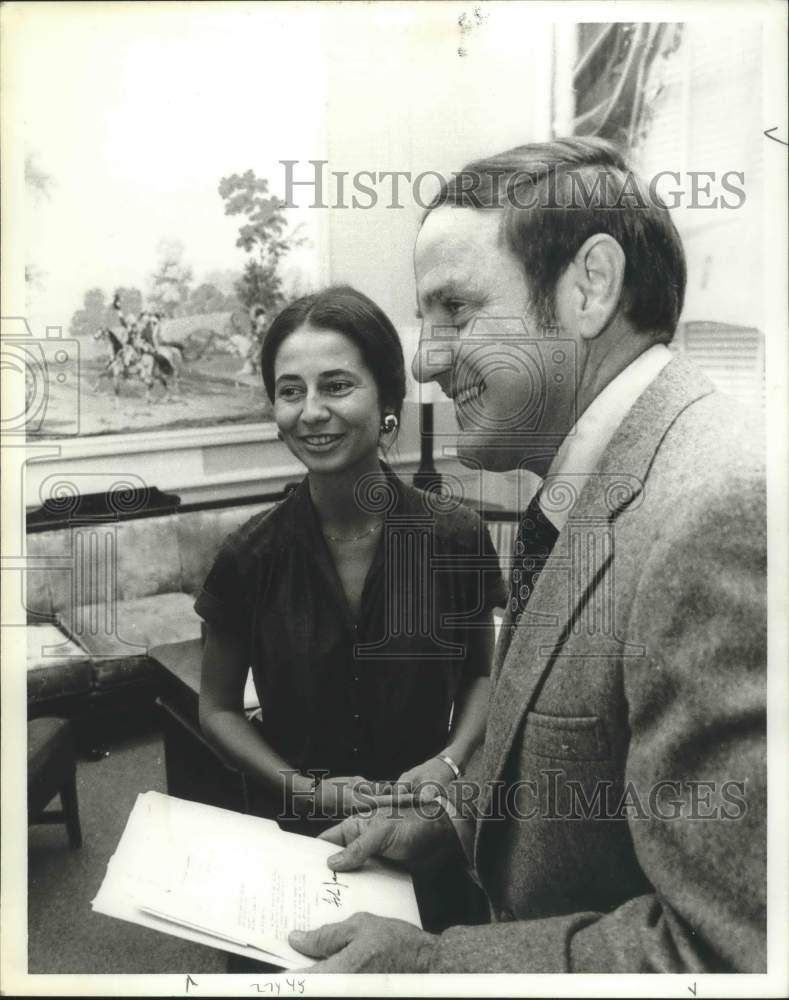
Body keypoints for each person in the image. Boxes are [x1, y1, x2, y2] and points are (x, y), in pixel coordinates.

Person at [287, 138, 767, 973]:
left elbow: (728, 957)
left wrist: (432, 968)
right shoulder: (599, 482)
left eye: (457, 311)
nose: (427, 361)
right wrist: (451, 822)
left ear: (589, 286)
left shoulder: (719, 512)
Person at [197, 285, 504, 831]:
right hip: (303, 840)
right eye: (291, 391)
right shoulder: (249, 555)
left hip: (429, 828)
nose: (312, 412)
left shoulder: (458, 538)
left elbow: (481, 673)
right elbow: (218, 709)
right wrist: (304, 789)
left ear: (388, 400)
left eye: (337, 386)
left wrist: (450, 761)